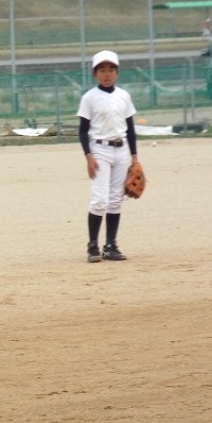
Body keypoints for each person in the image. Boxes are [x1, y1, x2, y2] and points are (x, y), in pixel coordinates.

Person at [76, 50, 140, 263]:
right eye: (102, 70)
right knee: (99, 200)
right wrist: (88, 156)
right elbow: (83, 131)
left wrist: (135, 157)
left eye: (111, 69)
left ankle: (111, 245)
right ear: (95, 74)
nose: (107, 74)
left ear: (117, 73)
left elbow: (130, 129)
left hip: (121, 150)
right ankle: (92, 246)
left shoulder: (124, 96)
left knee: (115, 199)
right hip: (99, 150)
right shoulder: (89, 98)